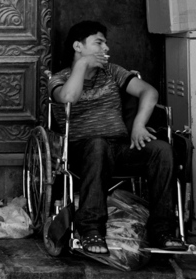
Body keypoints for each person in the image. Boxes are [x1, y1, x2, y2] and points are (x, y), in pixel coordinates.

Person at [48, 20, 186, 255]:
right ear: (77, 46)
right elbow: (68, 97)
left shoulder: (113, 72)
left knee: (162, 150)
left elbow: (149, 92)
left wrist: (139, 125)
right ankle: (91, 230)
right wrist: (81, 65)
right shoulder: (58, 78)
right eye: (98, 43)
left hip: (120, 147)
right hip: (83, 151)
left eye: (106, 44)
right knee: (98, 144)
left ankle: (163, 230)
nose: (106, 50)